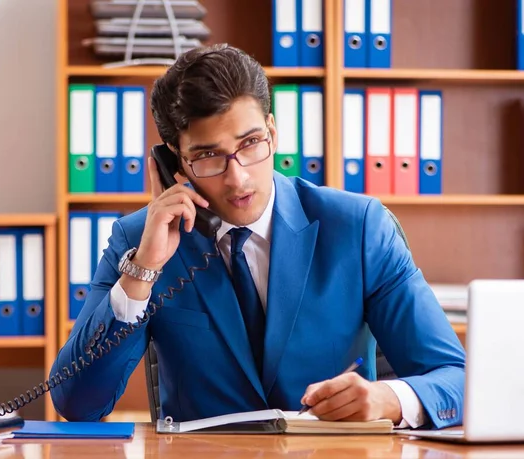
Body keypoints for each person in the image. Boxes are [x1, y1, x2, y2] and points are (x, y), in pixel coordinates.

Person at [50, 43, 465, 429]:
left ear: (272, 132)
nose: (238, 177)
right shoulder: (138, 241)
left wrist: (390, 398)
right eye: (208, 156)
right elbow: (78, 403)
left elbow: (456, 379)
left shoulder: (357, 227)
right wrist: (144, 270)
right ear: (172, 162)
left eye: (250, 144)